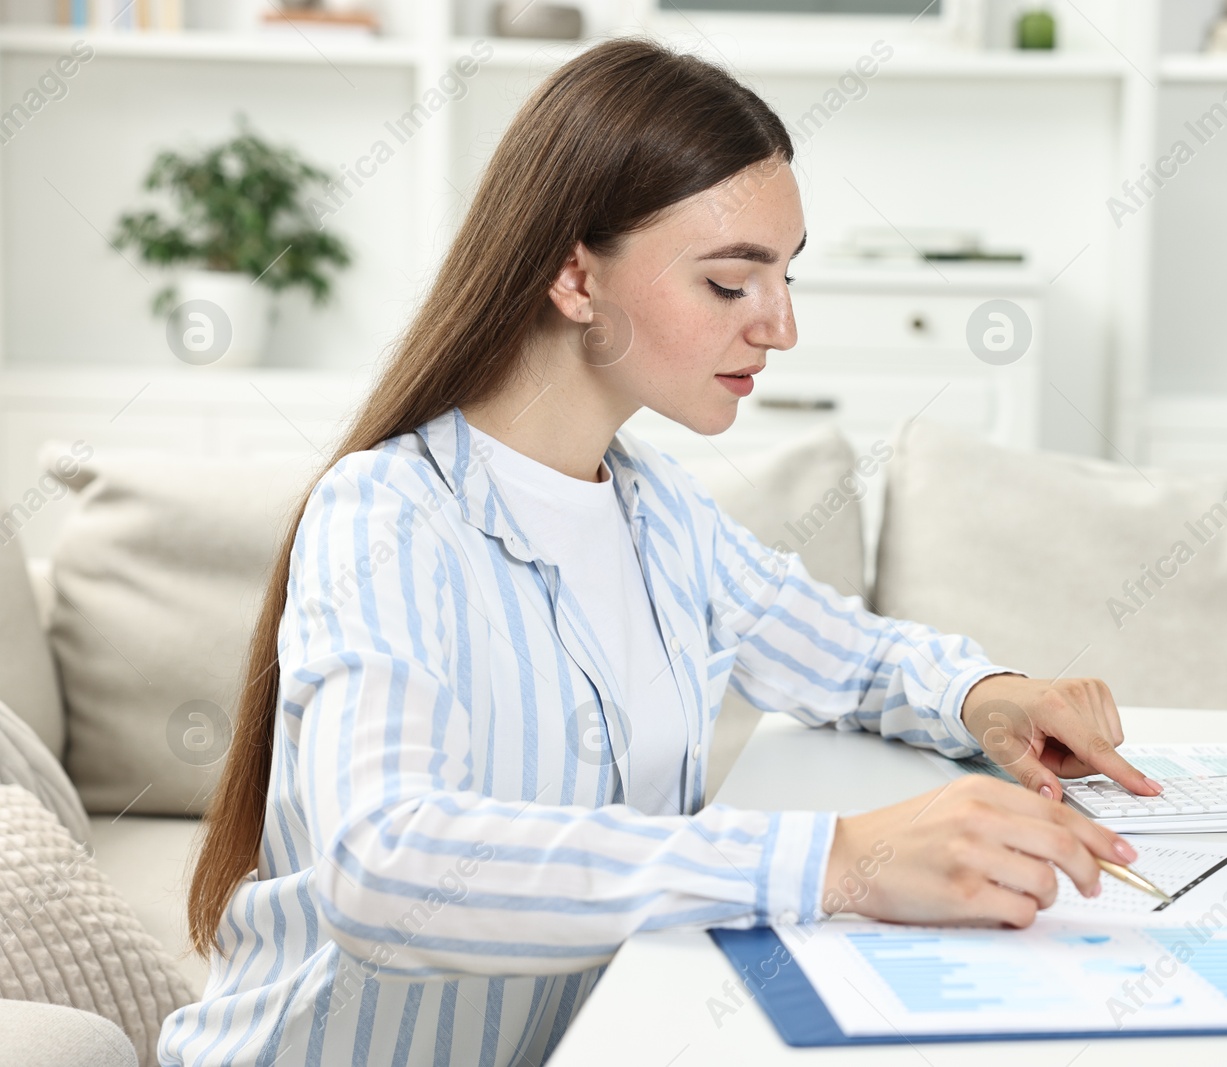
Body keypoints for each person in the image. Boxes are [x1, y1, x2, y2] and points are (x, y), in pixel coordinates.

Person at [159, 36, 1161, 1067]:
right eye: (732, 282)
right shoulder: (388, 517)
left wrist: (983, 692)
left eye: (785, 274)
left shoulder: (660, 514)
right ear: (572, 275)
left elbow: (850, 657)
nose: (780, 326)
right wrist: (841, 858)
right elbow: (389, 871)